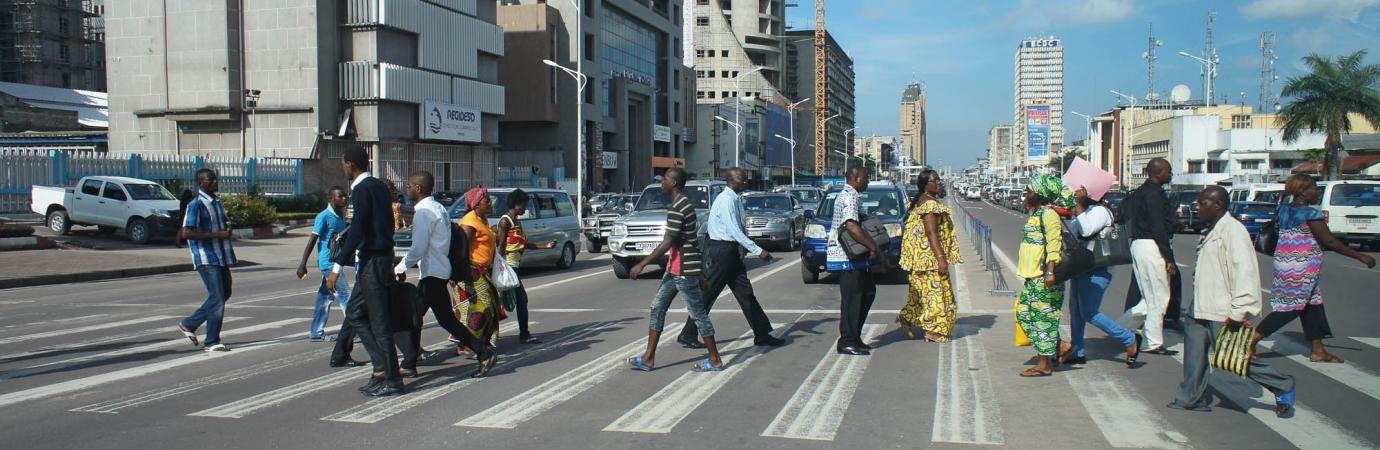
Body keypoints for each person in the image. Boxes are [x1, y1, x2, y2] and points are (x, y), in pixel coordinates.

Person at [1169, 186, 1296, 417]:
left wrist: (1240, 311)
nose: (1197, 207)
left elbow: (1245, 272)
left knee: (1232, 357)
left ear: (1218, 205)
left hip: (1223, 308)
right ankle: (1189, 398)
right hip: (1200, 304)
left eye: (1203, 203)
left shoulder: (1233, 231)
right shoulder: (1213, 228)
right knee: (1194, 357)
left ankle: (1282, 383)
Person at [1251, 175, 1376, 363]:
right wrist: (1360, 256)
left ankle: (1318, 350)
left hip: (1285, 263)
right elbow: (1329, 241)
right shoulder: (1310, 214)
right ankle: (1250, 340)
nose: (1317, 192)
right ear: (1302, 191)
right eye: (1315, 189)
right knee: (1290, 307)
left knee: (1312, 304)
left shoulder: (1284, 209)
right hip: (1302, 267)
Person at [393, 171, 498, 378]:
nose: (407, 188)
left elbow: (419, 247)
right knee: (431, 318)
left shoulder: (424, 212)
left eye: (410, 185)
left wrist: (399, 267)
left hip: (432, 274)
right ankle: (410, 362)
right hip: (438, 271)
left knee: (418, 318)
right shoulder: (438, 208)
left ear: (419, 189)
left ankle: (482, 353)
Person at [625, 168, 726, 372]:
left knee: (698, 314)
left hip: (683, 270)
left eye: (664, 180)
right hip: (675, 268)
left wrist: (641, 264)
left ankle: (715, 360)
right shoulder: (683, 204)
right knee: (657, 307)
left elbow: (667, 242)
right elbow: (691, 242)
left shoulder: (678, 207)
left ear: (673, 183)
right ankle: (648, 358)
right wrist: (701, 272)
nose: (661, 182)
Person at [326, 145, 405, 397]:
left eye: (343, 163)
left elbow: (357, 230)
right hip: (378, 259)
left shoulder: (361, 189)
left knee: (379, 323)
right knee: (355, 313)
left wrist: (336, 268)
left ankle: (393, 380)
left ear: (349, 164)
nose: (343, 167)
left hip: (373, 261)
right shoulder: (379, 186)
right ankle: (380, 367)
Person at [676, 167, 785, 348]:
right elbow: (733, 230)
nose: (745, 182)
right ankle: (688, 333)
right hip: (722, 251)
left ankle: (762, 334)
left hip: (730, 252)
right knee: (708, 294)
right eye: (742, 179)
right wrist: (757, 250)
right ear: (732, 181)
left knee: (746, 294)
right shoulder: (726, 200)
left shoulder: (734, 199)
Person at [1066, 185, 1138, 366]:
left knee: (1089, 313)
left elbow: (1086, 231)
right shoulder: (1087, 210)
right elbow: (1074, 231)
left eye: (1080, 192)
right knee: (1075, 311)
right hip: (1081, 266)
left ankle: (1129, 338)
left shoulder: (1101, 211)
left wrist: (1079, 206)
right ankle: (1077, 350)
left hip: (1098, 269)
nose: (1077, 194)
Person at [1118, 158, 1179, 356]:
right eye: (1168, 171)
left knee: (1149, 297)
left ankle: (1121, 329)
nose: (1170, 174)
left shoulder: (1138, 193)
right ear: (1158, 172)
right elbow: (1157, 226)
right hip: (1152, 245)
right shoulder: (1153, 194)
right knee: (1159, 297)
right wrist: (1168, 257)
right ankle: (1152, 342)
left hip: (1139, 244)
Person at [1015, 175, 1074, 377]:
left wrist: (1050, 271)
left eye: (1029, 190)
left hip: (1044, 276)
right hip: (1033, 275)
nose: (1026, 194)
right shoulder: (1037, 213)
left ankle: (1045, 364)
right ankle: (1060, 345)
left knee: (1043, 318)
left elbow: (1054, 244)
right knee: (1024, 313)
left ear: (1039, 194)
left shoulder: (1048, 214)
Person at [175, 168, 237, 353]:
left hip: (221, 255)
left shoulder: (216, 202)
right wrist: (218, 234)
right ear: (201, 182)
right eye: (212, 180)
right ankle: (211, 341)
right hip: (206, 256)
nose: (216, 182)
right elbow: (187, 232)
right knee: (217, 297)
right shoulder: (196, 204)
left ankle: (190, 324)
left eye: (216, 179)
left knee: (224, 293)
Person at [897, 169, 961, 343]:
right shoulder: (929, 205)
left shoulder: (922, 200)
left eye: (939, 180)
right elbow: (931, 232)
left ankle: (907, 317)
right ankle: (933, 331)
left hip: (921, 258)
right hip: (930, 259)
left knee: (920, 295)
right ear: (927, 184)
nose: (939, 183)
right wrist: (940, 257)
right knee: (938, 295)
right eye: (936, 180)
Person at [830, 167, 882, 356]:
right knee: (853, 299)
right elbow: (851, 225)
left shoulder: (851, 195)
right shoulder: (849, 196)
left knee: (867, 292)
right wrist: (872, 246)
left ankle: (855, 335)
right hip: (848, 258)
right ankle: (847, 340)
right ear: (857, 178)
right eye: (866, 178)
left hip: (856, 258)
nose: (868, 181)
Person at [496, 189, 557, 345]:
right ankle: (524, 335)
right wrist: (500, 270)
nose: (525, 208)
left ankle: (522, 334)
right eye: (524, 205)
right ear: (516, 204)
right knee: (519, 300)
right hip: (509, 267)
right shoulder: (505, 222)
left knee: (512, 301)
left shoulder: (517, 222)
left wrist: (546, 246)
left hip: (515, 266)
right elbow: (500, 248)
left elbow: (523, 244)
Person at [296, 186, 351, 342]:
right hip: (328, 263)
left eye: (345, 196)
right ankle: (356, 329)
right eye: (340, 196)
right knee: (346, 295)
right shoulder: (324, 216)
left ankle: (316, 331)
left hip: (337, 261)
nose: (344, 199)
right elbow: (312, 240)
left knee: (324, 297)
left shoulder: (341, 216)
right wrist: (303, 264)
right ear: (331, 198)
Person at [455, 186, 504, 350]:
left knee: (488, 306)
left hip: (483, 270)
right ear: (476, 203)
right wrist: (456, 273)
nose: (490, 204)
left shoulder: (482, 218)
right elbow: (460, 247)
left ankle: (473, 342)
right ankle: (468, 343)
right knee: (482, 307)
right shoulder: (469, 221)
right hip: (471, 270)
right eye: (487, 201)